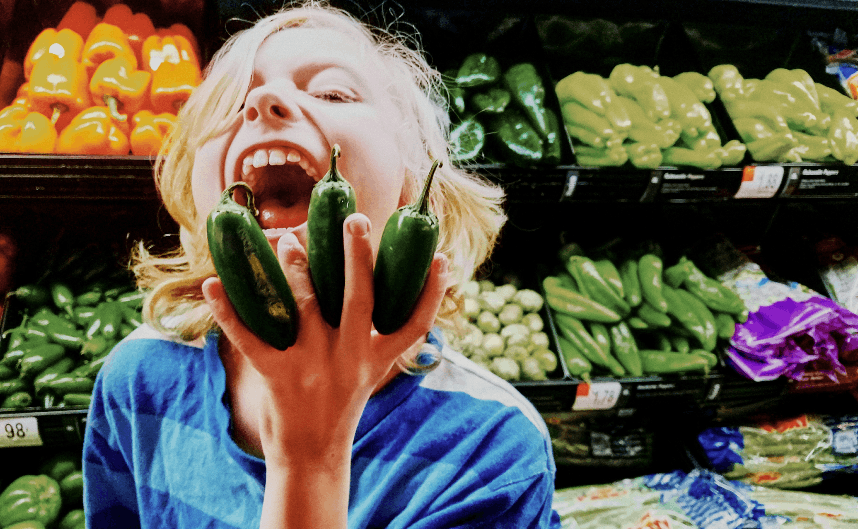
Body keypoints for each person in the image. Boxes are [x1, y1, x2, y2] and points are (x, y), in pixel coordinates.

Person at [82, 1, 562, 527]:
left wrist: (311, 458)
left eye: (333, 92)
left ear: (417, 182)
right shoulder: (138, 378)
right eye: (231, 103)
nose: (263, 100)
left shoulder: (492, 450)